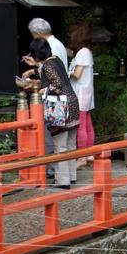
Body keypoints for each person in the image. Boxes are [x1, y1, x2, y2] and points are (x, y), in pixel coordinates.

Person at [21, 38, 78, 187]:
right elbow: (51, 73)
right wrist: (33, 69)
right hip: (73, 103)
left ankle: (63, 181)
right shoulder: (56, 59)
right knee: (70, 144)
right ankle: (71, 176)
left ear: (36, 54)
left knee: (60, 146)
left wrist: (41, 91)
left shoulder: (47, 65)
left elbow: (56, 85)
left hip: (61, 108)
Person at [68, 23, 95, 165]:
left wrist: (67, 72)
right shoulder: (86, 51)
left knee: (81, 125)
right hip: (86, 91)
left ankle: (82, 156)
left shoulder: (82, 52)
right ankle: (89, 153)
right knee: (88, 124)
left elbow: (77, 74)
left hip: (80, 92)